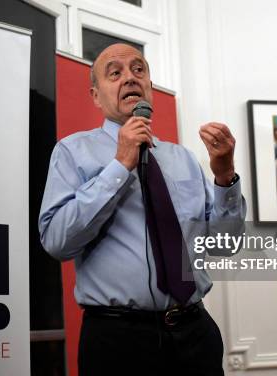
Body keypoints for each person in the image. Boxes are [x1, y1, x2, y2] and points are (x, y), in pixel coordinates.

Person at [38, 43, 246, 375]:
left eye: (139, 70)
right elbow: (57, 242)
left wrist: (224, 176)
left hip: (195, 333)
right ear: (96, 96)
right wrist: (120, 165)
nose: (130, 78)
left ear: (149, 85)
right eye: (115, 72)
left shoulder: (183, 159)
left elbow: (225, 245)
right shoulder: (73, 152)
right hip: (118, 340)